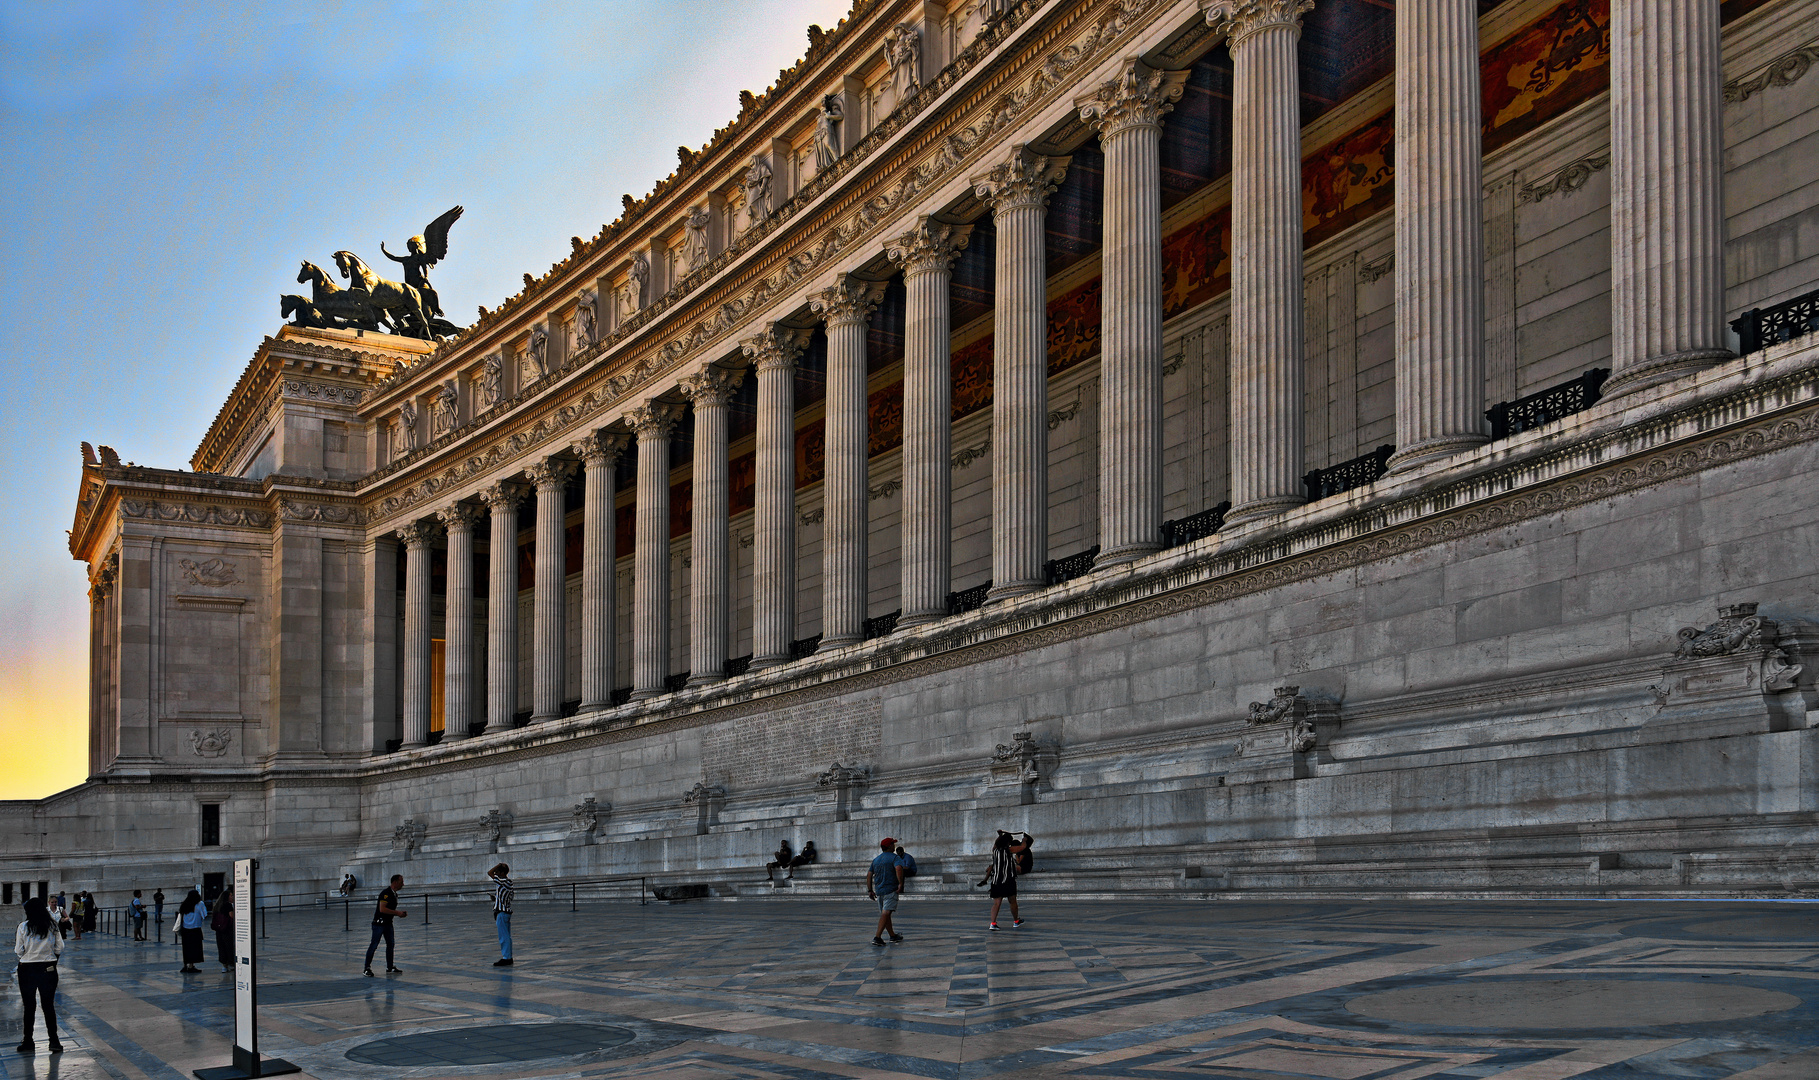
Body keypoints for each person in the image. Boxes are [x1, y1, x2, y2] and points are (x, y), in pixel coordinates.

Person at [14, 896, 63, 1054]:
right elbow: (59, 947)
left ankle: (28, 1040)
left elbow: (19, 951)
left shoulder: (23, 927)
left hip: (27, 969)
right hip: (47, 968)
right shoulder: (52, 925)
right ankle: (54, 1041)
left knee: (29, 1006)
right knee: (48, 1006)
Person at [978, 830, 1032, 930]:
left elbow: (996, 843)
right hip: (1008, 880)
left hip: (996, 881)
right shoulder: (1008, 850)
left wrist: (1000, 836)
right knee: (1012, 901)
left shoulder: (995, 850)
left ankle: (993, 924)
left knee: (996, 903)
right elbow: (1023, 847)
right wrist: (1024, 839)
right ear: (1007, 843)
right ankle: (1016, 921)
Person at [864, 837, 906, 947]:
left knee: (886, 914)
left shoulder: (876, 859)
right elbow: (898, 869)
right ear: (890, 846)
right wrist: (900, 883)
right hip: (890, 889)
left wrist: (870, 890)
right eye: (893, 844)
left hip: (879, 890)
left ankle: (892, 935)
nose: (894, 846)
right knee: (886, 913)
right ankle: (877, 937)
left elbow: (869, 875)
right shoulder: (894, 857)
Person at [362, 874, 407, 977]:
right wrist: (397, 913)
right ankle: (366, 968)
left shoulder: (394, 894)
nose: (403, 884)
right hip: (379, 924)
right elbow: (382, 909)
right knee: (374, 945)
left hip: (388, 924)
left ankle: (390, 967)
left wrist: (399, 913)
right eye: (401, 882)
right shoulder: (385, 894)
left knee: (390, 945)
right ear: (395, 882)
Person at [488, 863, 514, 967]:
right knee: (507, 936)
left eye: (498, 872)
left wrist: (498, 865)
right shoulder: (509, 883)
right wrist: (496, 899)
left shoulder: (502, 881)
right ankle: (508, 956)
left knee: (504, 937)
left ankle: (506, 958)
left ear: (502, 873)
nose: (496, 874)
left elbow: (489, 873)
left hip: (502, 913)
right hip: (506, 911)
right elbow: (508, 897)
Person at [177, 890, 207, 972]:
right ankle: (191, 965)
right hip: (195, 929)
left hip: (185, 929)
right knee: (195, 948)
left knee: (186, 947)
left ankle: (185, 964)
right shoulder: (199, 904)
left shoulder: (184, 904)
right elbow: (204, 915)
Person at [212, 893, 235, 973]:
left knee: (221, 947)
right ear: (227, 897)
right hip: (227, 929)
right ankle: (231, 964)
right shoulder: (228, 905)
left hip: (219, 929)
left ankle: (224, 965)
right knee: (229, 946)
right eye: (231, 895)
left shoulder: (217, 906)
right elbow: (231, 916)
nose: (232, 897)